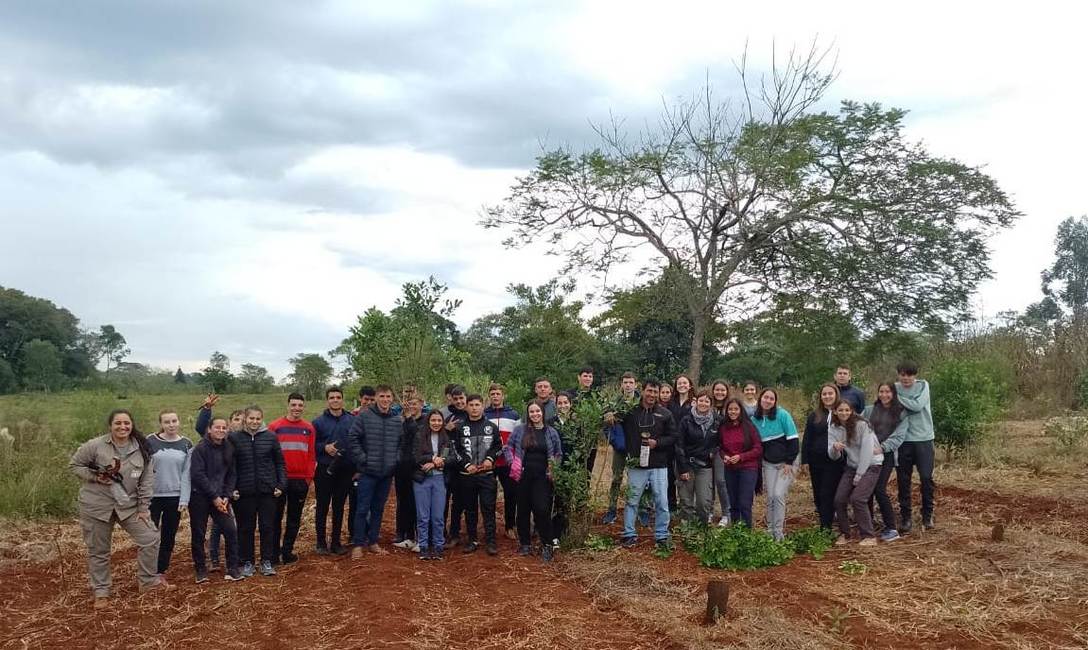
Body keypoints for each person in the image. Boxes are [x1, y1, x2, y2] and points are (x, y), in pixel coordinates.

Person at [70, 410, 170, 608]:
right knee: (99, 550)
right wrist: (95, 476)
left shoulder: (143, 448)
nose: (122, 427)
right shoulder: (95, 445)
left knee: (150, 538)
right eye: (118, 423)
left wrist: (143, 508)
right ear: (110, 426)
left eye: (126, 423)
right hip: (96, 506)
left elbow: (146, 481)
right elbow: (75, 465)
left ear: (132, 425)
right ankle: (101, 591)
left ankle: (148, 582)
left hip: (129, 506)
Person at [619, 380, 677, 552]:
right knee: (632, 500)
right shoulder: (630, 412)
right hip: (637, 465)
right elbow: (613, 419)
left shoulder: (665, 414)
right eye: (649, 391)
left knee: (662, 501)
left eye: (655, 392)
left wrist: (657, 443)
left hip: (658, 465)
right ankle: (629, 534)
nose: (652, 395)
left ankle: (661, 535)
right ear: (642, 391)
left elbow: (673, 436)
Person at [229, 406, 286, 577]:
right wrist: (232, 488)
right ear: (245, 418)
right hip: (244, 492)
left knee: (267, 527)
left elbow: (280, 463)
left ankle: (266, 561)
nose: (254, 422)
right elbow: (230, 466)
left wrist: (281, 485)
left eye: (258, 418)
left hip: (267, 491)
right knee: (245, 528)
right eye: (251, 418)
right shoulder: (234, 438)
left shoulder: (270, 437)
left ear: (262, 419)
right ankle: (247, 562)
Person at [348, 385, 404, 559]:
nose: (385, 400)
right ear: (377, 398)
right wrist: (363, 459)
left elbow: (402, 443)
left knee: (378, 508)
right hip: (367, 472)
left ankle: (373, 542)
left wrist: (396, 459)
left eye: (388, 396)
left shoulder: (396, 419)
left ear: (392, 399)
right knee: (362, 508)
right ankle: (358, 544)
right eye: (382, 396)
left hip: (386, 473)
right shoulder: (364, 416)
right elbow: (353, 438)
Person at [186, 416, 244, 582]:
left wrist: (226, 496)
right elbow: (198, 475)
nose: (221, 430)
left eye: (224, 428)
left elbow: (232, 474)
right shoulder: (201, 449)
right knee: (199, 533)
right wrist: (214, 497)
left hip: (221, 498)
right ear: (209, 429)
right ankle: (201, 569)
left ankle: (232, 568)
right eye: (217, 427)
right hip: (200, 497)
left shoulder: (229, 448)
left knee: (231, 530)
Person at [504, 400, 563, 562]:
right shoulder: (519, 431)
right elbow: (507, 448)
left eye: (538, 411)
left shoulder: (551, 432)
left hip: (542, 477)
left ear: (543, 413)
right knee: (522, 510)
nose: (535, 414)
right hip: (522, 476)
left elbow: (558, 453)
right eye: (532, 412)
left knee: (542, 509)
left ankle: (547, 544)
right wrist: (513, 462)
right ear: (528, 414)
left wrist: (553, 467)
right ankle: (525, 544)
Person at [448, 394, 504, 555]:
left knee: (488, 508)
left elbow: (499, 446)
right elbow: (455, 449)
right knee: (470, 509)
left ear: (482, 406)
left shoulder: (491, 426)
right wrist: (466, 464)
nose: (474, 408)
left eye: (477, 404)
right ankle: (472, 540)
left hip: (487, 475)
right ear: (467, 407)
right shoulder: (460, 427)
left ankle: (491, 542)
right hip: (467, 475)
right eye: (471, 405)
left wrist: (490, 459)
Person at [267, 392, 316, 565]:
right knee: (275, 518)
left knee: (294, 519)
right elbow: (269, 455)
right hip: (279, 480)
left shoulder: (309, 428)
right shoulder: (274, 426)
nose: (297, 408)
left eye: (300, 405)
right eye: (293, 405)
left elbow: (311, 455)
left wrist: (308, 479)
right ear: (287, 405)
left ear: (304, 407)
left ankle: (287, 551)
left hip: (299, 480)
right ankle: (273, 554)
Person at [828, 400, 884, 546]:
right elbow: (833, 456)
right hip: (852, 466)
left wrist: (859, 475)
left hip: (871, 464)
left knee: (858, 498)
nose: (844, 413)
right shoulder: (833, 428)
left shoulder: (862, 425)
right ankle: (845, 534)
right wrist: (834, 448)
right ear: (835, 411)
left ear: (852, 411)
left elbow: (867, 451)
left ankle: (869, 536)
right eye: (840, 410)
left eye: (847, 410)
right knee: (839, 500)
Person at [147, 409, 193, 577]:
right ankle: (147, 570)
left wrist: (184, 499)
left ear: (179, 422)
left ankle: (160, 571)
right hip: (152, 497)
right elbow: (143, 468)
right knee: (149, 536)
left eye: (174, 421)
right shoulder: (150, 441)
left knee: (168, 535)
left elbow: (187, 473)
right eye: (167, 422)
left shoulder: (186, 444)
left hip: (174, 497)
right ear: (161, 424)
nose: (171, 425)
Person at [311, 386, 355, 555]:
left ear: (342, 399)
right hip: (324, 469)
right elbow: (311, 446)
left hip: (345, 469)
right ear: (327, 400)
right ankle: (321, 543)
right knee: (322, 506)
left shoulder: (351, 420)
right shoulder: (318, 422)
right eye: (332, 397)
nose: (335, 400)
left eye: (338, 397)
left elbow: (357, 442)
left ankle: (336, 542)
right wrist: (324, 447)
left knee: (339, 506)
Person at [752, 388, 799, 541]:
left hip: (787, 462)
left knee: (778, 494)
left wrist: (789, 462)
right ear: (760, 399)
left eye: (771, 399)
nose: (768, 401)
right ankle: (770, 529)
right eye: (766, 397)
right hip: (769, 463)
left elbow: (793, 439)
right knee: (771, 496)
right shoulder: (755, 419)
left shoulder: (782, 415)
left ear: (775, 401)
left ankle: (778, 532)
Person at [863, 383, 909, 542]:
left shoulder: (901, 413)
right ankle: (866, 524)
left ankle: (891, 528)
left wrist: (882, 448)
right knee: (865, 488)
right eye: (881, 391)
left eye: (888, 392)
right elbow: (859, 426)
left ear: (893, 393)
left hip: (886, 455)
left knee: (879, 489)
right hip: (867, 454)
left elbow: (899, 437)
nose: (884, 395)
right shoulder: (869, 410)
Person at [894, 361, 936, 532]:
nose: (906, 378)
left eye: (909, 375)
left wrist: (899, 400)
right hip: (903, 440)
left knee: (926, 478)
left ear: (915, 375)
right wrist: (905, 404)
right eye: (903, 374)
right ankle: (906, 518)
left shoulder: (923, 385)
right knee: (903, 480)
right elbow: (896, 411)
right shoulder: (894, 387)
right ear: (898, 375)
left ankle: (927, 515)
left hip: (924, 438)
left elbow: (918, 406)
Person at [801, 384, 844, 531]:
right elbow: (807, 438)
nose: (827, 396)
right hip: (815, 461)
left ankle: (826, 528)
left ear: (836, 394)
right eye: (824, 394)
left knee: (827, 493)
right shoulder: (815, 415)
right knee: (818, 494)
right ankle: (825, 520)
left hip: (834, 461)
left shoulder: (842, 413)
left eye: (830, 393)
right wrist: (805, 461)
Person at [675, 389, 718, 525]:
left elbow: (722, 441)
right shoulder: (686, 420)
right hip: (687, 464)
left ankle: (702, 530)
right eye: (701, 400)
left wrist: (714, 450)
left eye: (707, 401)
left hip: (705, 466)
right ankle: (686, 530)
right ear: (696, 401)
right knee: (686, 501)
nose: (703, 403)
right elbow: (679, 444)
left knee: (703, 502)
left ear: (711, 404)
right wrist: (683, 468)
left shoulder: (717, 421)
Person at [718, 398, 763, 528]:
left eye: (736, 409)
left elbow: (758, 448)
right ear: (726, 411)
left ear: (740, 410)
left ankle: (747, 534)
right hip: (730, 469)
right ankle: (735, 533)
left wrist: (741, 457)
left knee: (744, 503)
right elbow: (721, 448)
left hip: (748, 468)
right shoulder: (723, 427)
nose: (733, 412)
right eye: (730, 409)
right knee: (733, 503)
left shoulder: (748, 426)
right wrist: (724, 456)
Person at [484, 384, 521, 541]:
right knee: (488, 497)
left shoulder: (513, 414)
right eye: (492, 394)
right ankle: (489, 529)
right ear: (489, 396)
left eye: (498, 393)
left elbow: (519, 438)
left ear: (503, 396)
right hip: (489, 462)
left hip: (507, 463)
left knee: (510, 495)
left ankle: (509, 526)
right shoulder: (484, 414)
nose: (495, 396)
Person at [602, 372, 639, 525]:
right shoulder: (613, 403)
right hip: (620, 448)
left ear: (636, 384)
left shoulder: (641, 402)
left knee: (637, 480)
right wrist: (613, 441)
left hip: (636, 447)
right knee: (616, 479)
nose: (628, 385)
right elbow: (605, 425)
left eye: (631, 382)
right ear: (621, 384)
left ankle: (639, 510)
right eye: (625, 382)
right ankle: (612, 509)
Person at [413, 410, 450, 560]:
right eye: (433, 420)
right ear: (428, 421)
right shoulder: (419, 436)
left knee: (438, 516)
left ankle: (438, 546)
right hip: (422, 479)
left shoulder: (446, 438)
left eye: (439, 420)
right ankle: (423, 546)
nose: (436, 423)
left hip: (439, 479)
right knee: (423, 516)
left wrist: (436, 463)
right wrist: (432, 458)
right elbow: (415, 456)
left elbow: (450, 456)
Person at [393, 396, 424, 551]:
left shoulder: (425, 422)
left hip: (417, 467)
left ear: (422, 405)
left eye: (415, 403)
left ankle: (418, 536)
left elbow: (418, 438)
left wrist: (409, 419)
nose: (412, 406)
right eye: (409, 404)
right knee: (402, 501)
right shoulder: (400, 421)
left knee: (415, 502)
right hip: (401, 466)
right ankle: (403, 533)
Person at [709, 380, 732, 525]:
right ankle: (709, 511)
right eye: (717, 390)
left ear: (727, 392)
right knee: (708, 483)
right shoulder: (707, 406)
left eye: (722, 390)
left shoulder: (730, 408)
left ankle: (726, 513)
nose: (719, 392)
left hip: (721, 450)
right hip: (705, 450)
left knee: (721, 481)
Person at [657, 382, 680, 513]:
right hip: (657, 447)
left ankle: (672, 505)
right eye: (663, 392)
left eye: (667, 393)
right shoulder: (655, 407)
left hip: (671, 447)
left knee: (670, 478)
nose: (665, 395)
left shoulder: (674, 408)